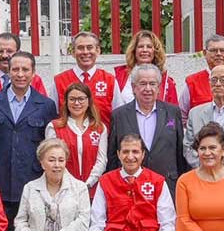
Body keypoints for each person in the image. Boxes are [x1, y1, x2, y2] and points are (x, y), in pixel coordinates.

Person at [0, 51, 58, 231]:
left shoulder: (46, 105)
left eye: (25, 69)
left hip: (32, 179)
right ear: (8, 71)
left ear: (34, 73)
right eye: (15, 69)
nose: (20, 74)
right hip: (1, 179)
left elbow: (50, 146)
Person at [107, 64, 186, 193]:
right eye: (143, 83)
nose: (148, 89)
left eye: (152, 84)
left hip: (167, 184)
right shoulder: (119, 115)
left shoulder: (173, 112)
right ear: (133, 87)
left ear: (159, 87)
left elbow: (180, 153)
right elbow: (112, 156)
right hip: (130, 187)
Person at [44, 82, 107, 195]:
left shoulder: (100, 128)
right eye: (72, 99)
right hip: (62, 191)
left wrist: (87, 184)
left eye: (81, 99)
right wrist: (71, 184)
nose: (77, 103)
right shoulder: (54, 127)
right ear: (66, 102)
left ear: (88, 101)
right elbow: (52, 160)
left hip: (92, 191)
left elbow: (101, 161)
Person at [54, 31, 116, 124]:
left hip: (102, 137)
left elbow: (118, 115)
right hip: (68, 138)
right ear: (73, 52)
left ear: (98, 51)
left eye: (90, 47)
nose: (85, 52)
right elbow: (52, 115)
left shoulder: (110, 81)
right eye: (80, 48)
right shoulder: (59, 81)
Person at [0, 32, 48, 102]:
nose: (4, 55)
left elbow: (43, 108)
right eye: (0, 51)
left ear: (18, 52)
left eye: (9, 51)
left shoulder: (34, 80)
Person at [112, 29, 179, 108]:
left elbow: (173, 115)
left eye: (149, 47)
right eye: (140, 46)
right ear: (134, 50)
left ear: (155, 51)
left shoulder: (167, 82)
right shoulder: (119, 77)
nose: (145, 50)